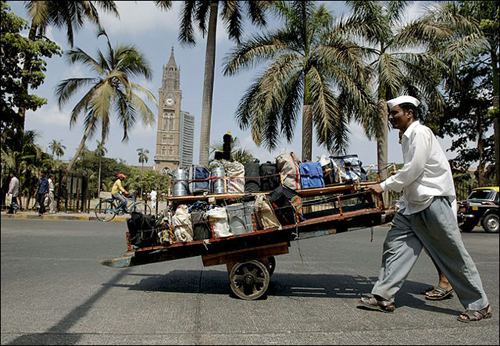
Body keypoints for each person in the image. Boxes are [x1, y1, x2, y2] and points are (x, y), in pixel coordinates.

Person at [359, 95, 491, 323]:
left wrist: (383, 186)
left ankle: (480, 305)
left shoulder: (420, 134)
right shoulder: (408, 137)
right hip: (412, 205)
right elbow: (411, 177)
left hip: (432, 202)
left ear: (409, 113)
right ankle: (383, 296)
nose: (391, 118)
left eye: (395, 113)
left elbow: (413, 171)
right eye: (390, 114)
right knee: (394, 247)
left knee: (452, 254)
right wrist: (402, 202)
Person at [397, 130, 454, 301]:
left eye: (401, 138)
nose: (400, 141)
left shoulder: (420, 140)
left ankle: (447, 282)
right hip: (421, 204)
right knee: (433, 246)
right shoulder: (414, 149)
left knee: (438, 245)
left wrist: (390, 183)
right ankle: (445, 281)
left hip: (430, 203)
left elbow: (413, 175)